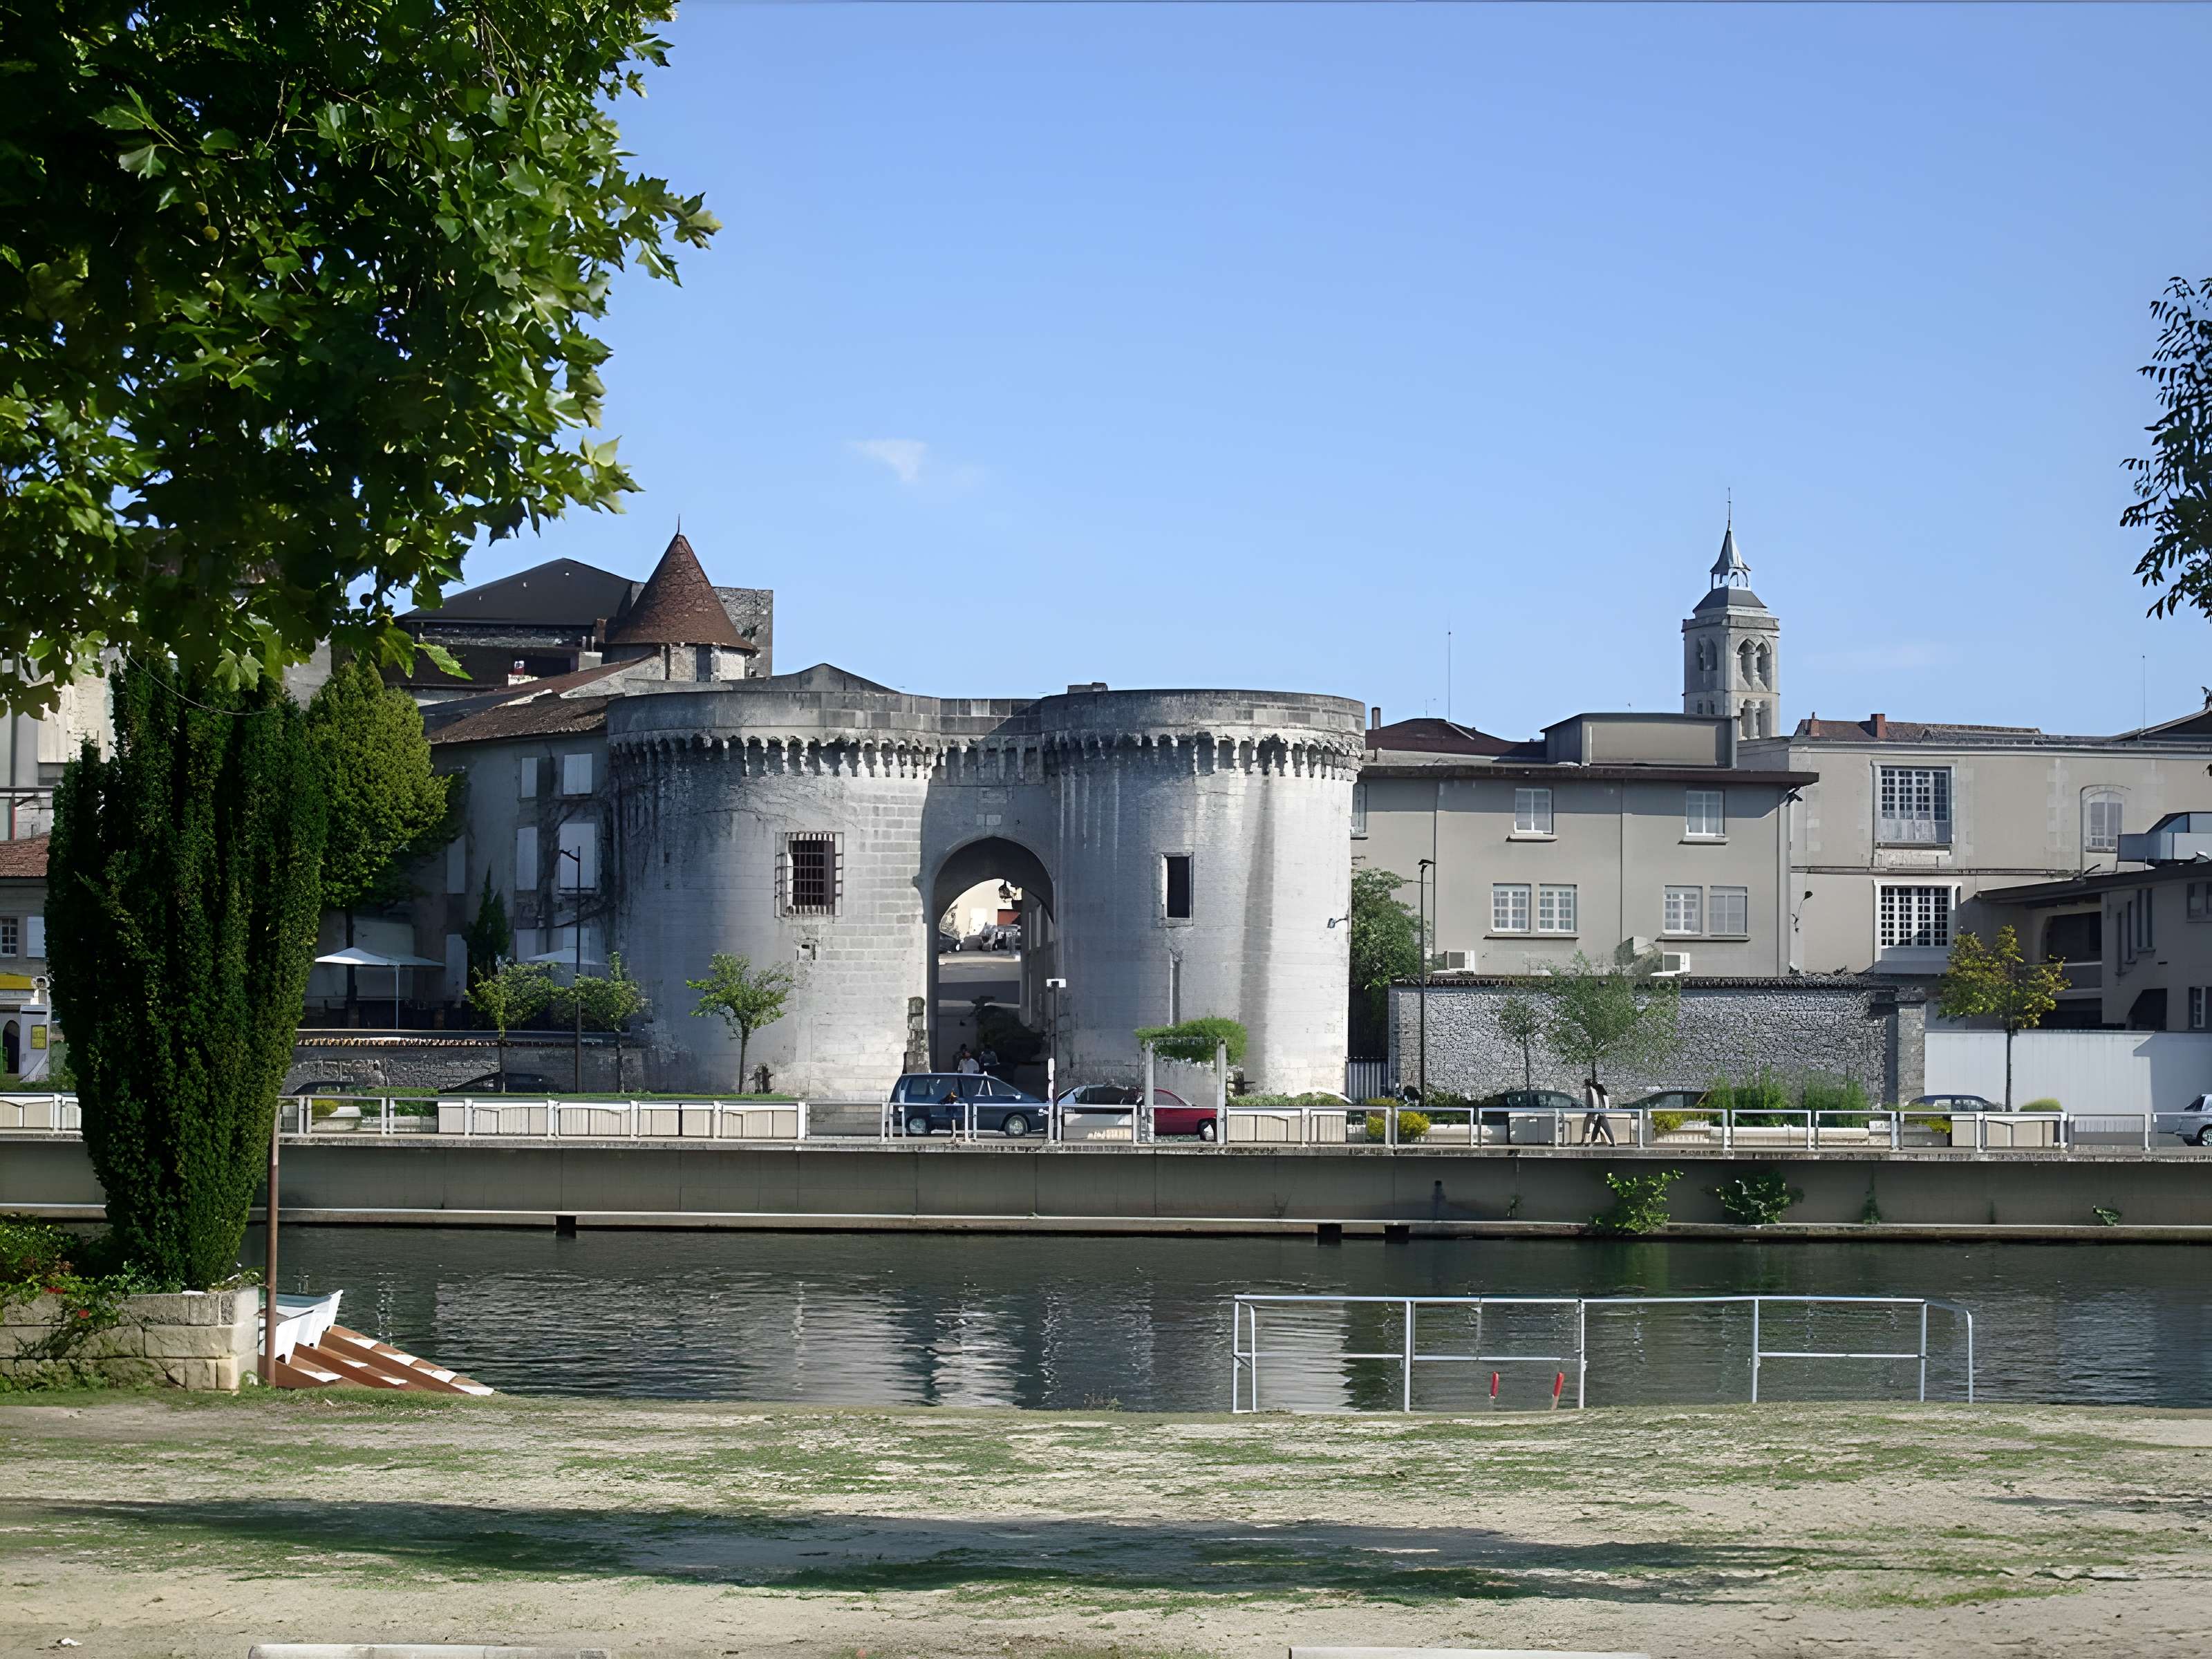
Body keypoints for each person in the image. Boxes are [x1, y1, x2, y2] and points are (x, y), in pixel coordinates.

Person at [1583, 1076, 1615, 1145]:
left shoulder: (1595, 1091)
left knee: (1592, 1127)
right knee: (1598, 1128)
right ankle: (1611, 1142)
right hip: (1601, 1113)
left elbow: (1593, 1102)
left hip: (1598, 1113)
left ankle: (1612, 1142)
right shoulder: (1602, 1092)